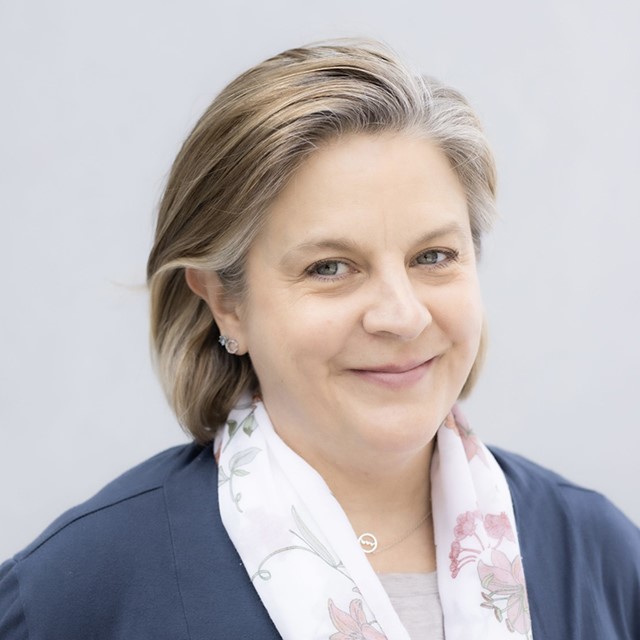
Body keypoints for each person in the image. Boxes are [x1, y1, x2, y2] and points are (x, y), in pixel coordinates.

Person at [1, 40, 638, 640]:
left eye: (434, 255)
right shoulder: (82, 590)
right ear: (227, 304)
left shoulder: (599, 556)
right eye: (329, 267)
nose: (401, 315)